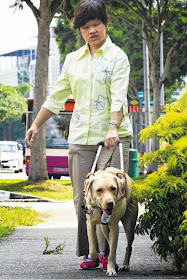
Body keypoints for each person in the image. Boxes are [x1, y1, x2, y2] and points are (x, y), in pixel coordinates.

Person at [25, 0, 133, 271]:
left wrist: (112, 128)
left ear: (105, 23)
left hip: (111, 136)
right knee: (83, 199)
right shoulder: (73, 60)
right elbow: (58, 95)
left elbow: (119, 97)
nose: (91, 31)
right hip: (80, 138)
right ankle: (91, 252)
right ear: (80, 30)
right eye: (85, 27)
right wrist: (36, 124)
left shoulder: (117, 57)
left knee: (111, 196)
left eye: (96, 24)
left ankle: (109, 254)